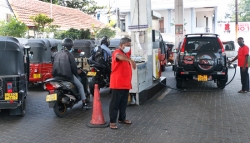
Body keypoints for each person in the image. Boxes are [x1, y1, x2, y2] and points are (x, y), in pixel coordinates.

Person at [52, 38, 92, 109]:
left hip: (57, 75)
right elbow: (73, 67)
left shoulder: (56, 54)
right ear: (69, 46)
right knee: (80, 86)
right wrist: (77, 72)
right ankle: (84, 103)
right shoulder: (69, 55)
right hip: (67, 76)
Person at [109, 37, 136, 129]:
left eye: (130, 45)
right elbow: (119, 57)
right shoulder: (117, 52)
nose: (129, 47)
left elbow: (134, 50)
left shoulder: (126, 54)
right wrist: (130, 60)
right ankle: (112, 121)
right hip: (117, 84)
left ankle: (122, 118)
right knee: (115, 104)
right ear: (121, 45)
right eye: (127, 45)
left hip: (125, 84)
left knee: (123, 104)